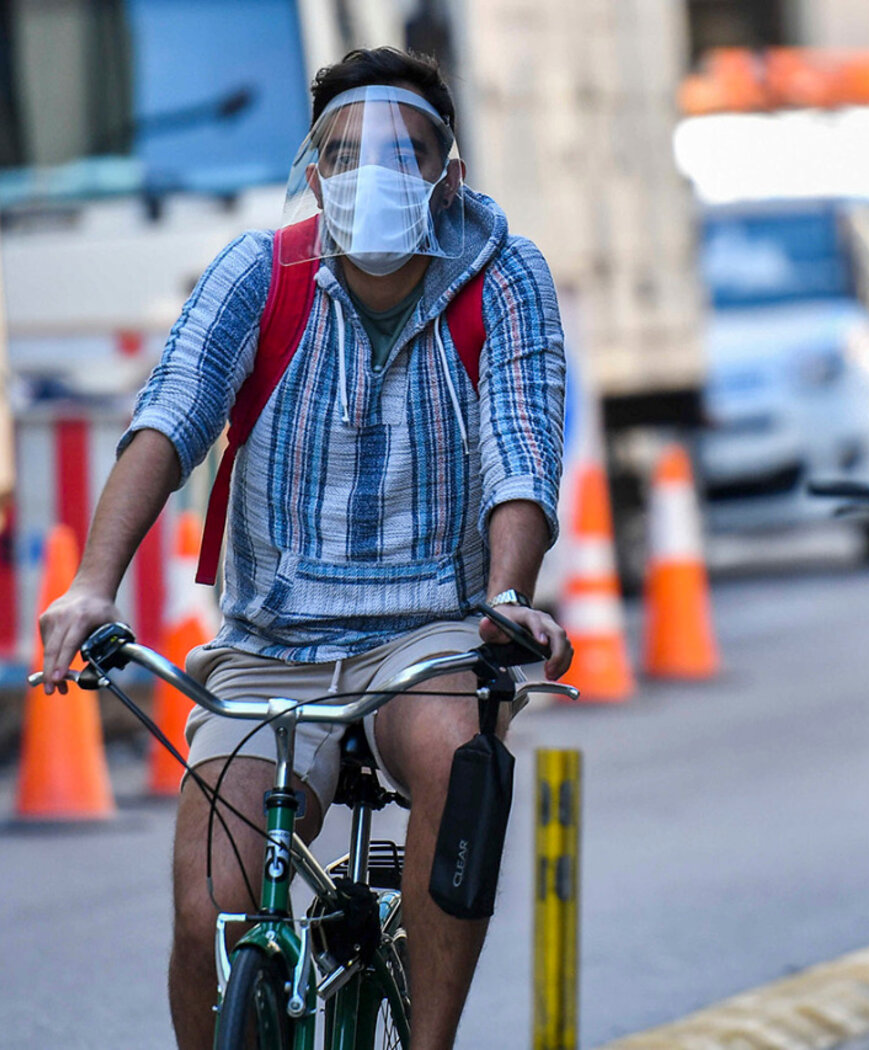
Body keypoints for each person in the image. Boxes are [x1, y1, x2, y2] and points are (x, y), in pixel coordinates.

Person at [38, 47, 572, 1050]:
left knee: (464, 771)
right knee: (210, 908)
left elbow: (520, 449)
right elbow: (171, 415)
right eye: (346, 154)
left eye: (405, 153)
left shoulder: (504, 278)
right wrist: (92, 587)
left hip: (430, 637)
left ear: (446, 174)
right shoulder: (260, 271)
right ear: (316, 173)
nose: (375, 175)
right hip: (269, 645)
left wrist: (506, 595)